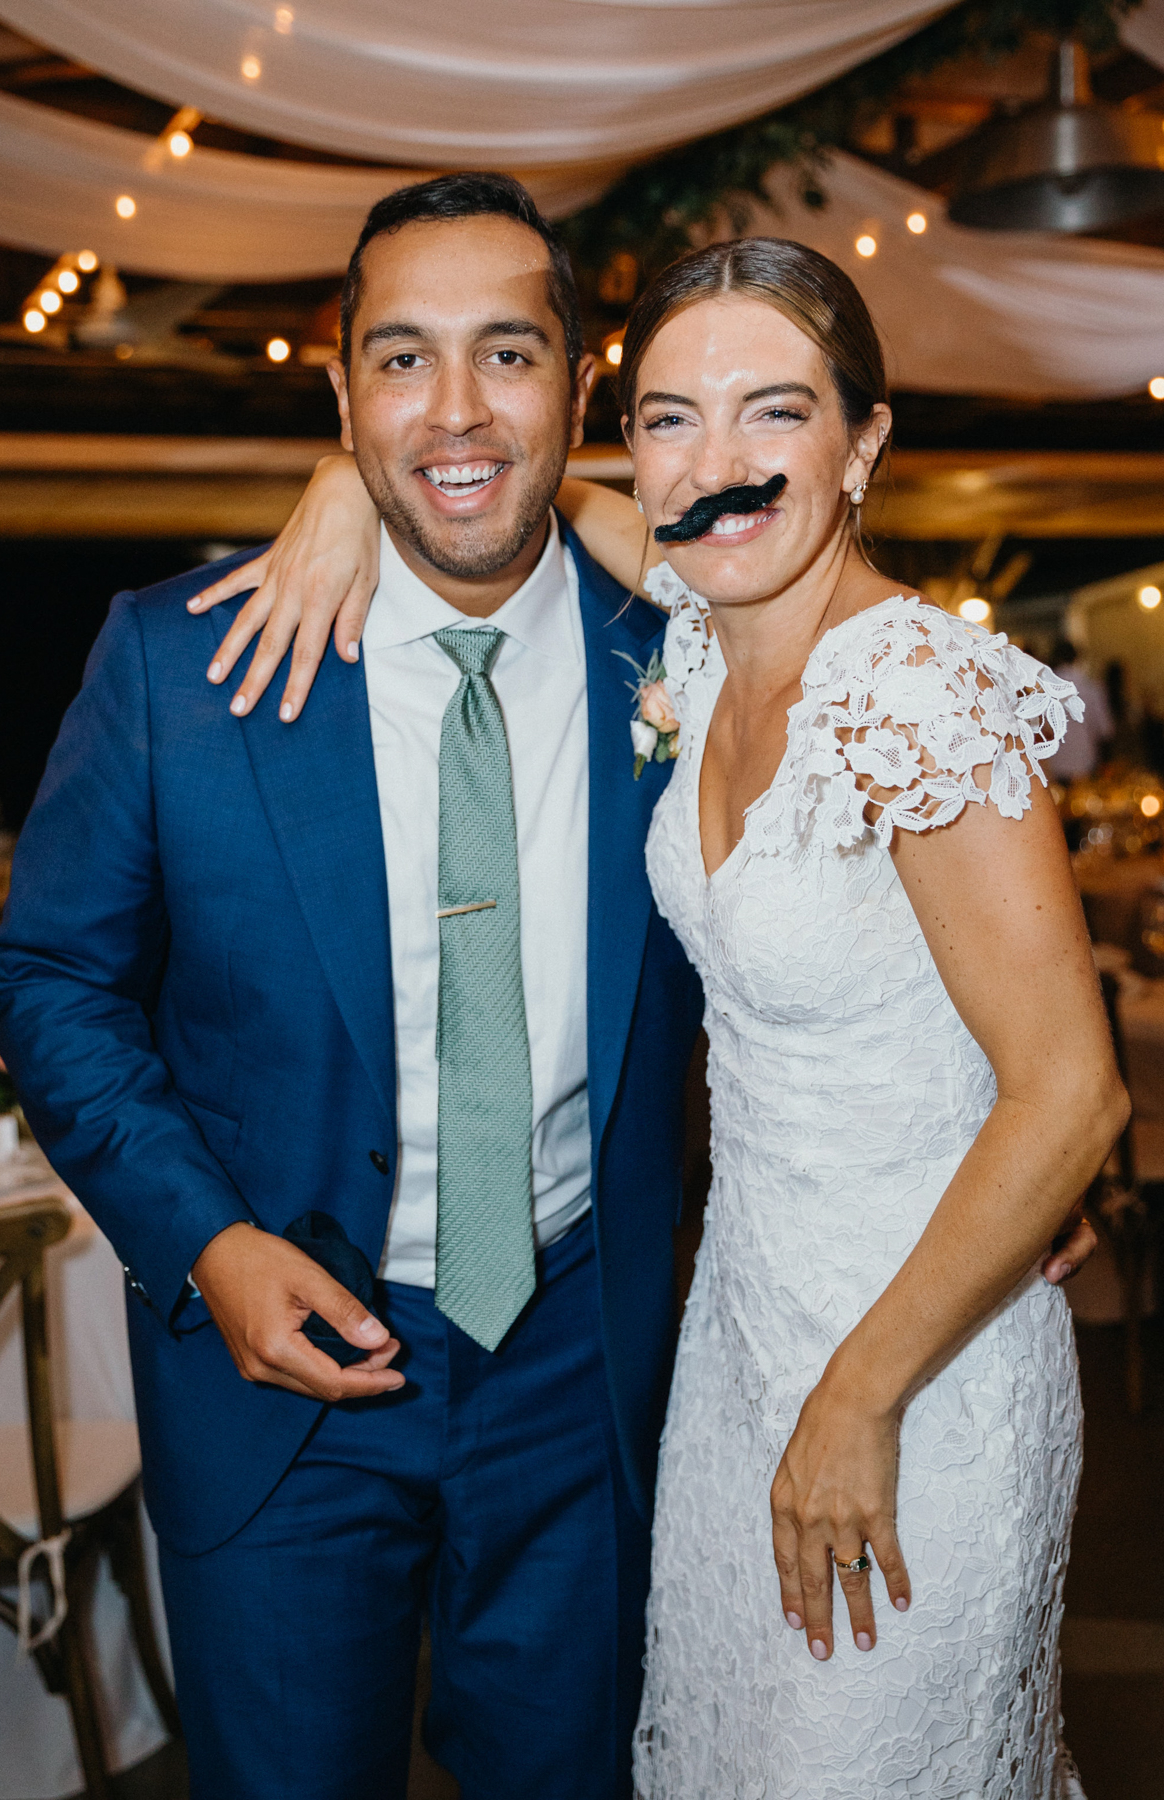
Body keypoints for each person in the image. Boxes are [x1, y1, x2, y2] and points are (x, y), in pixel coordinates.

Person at [205, 236, 1120, 1797]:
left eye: (777, 412)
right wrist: (346, 482)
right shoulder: (703, 640)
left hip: (914, 1357)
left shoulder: (918, 693)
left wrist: (860, 1397)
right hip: (738, 1336)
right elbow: (513, 476)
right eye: (672, 418)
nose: (720, 462)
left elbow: (1074, 1099)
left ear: (864, 443)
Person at [0, 174, 707, 1800]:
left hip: (575, 1369)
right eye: (402, 359)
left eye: (507, 355)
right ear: (341, 391)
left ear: (578, 388)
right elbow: (49, 979)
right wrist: (206, 1243)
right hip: (279, 1383)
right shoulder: (177, 665)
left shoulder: (681, 659)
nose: (456, 410)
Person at [1050, 637, 1113, 781]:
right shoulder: (1090, 686)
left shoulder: (1046, 688)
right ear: (1076, 658)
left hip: (1056, 762)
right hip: (1085, 759)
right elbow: (1104, 729)